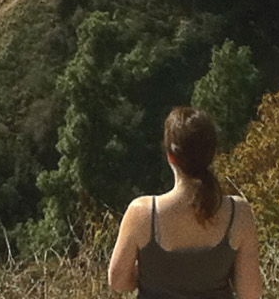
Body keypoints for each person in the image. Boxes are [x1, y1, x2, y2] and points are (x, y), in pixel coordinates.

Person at [94, 105, 255, 299]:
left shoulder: (143, 213)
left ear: (171, 156)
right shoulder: (239, 213)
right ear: (211, 153)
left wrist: (146, 275)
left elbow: (118, 282)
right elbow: (251, 293)